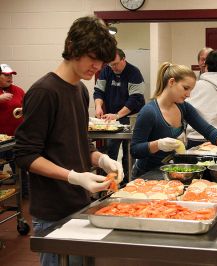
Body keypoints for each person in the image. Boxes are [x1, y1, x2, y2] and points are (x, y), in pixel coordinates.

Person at [14, 16, 121, 266]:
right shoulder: (44, 91)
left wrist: (101, 160)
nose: (97, 66)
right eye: (93, 58)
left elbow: (80, 142)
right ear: (73, 48)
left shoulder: (80, 89)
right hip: (53, 210)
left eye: (102, 62)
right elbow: (25, 155)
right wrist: (74, 176)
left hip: (79, 203)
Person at [131, 62, 217, 177]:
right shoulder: (149, 112)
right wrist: (158, 144)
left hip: (168, 171)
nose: (188, 95)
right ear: (171, 82)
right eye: (185, 88)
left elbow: (207, 130)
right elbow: (135, 150)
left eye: (190, 90)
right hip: (147, 174)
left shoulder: (183, 107)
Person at [93, 48, 145, 185]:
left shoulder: (134, 73)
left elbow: (134, 99)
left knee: (130, 151)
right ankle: (108, 184)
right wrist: (98, 106)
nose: (113, 67)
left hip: (131, 116)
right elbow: (98, 91)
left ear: (123, 59)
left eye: (116, 63)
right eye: (111, 64)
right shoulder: (106, 70)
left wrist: (117, 115)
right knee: (111, 150)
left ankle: (127, 182)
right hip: (112, 117)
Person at [0, 64, 26, 191]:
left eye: (11, 75)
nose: (10, 77)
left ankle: (26, 193)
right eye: (6, 75)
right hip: (1, 140)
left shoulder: (18, 90)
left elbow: (28, 106)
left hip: (16, 137)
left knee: (20, 168)